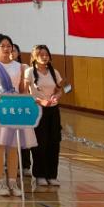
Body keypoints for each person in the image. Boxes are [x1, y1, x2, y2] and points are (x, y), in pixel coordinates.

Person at [0, 34, 38, 197]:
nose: (6, 48)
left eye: (9, 45)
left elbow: (22, 90)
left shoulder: (20, 67)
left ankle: (13, 182)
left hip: (14, 108)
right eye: (2, 46)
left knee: (13, 147)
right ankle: (0, 183)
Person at [25, 45, 65, 187]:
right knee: (40, 143)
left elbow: (60, 89)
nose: (44, 57)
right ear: (34, 56)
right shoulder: (29, 72)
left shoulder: (54, 72)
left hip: (53, 111)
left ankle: (52, 175)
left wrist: (56, 96)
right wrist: (39, 101)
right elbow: (25, 92)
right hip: (37, 111)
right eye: (41, 54)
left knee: (54, 142)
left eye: (46, 54)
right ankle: (40, 174)